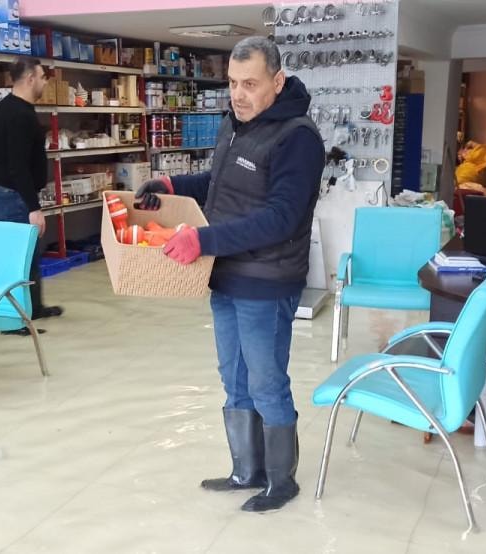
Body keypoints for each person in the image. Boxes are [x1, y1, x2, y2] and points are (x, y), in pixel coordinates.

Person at [135, 36, 324, 513]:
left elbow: (281, 218)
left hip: (267, 281)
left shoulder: (297, 138)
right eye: (233, 83)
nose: (238, 94)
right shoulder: (234, 124)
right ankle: (246, 470)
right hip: (226, 275)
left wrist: (203, 240)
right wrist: (171, 185)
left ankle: (281, 481)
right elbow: (219, 185)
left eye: (250, 84)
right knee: (233, 377)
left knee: (265, 381)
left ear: (277, 82)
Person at [0, 59, 63, 333]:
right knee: (16, 258)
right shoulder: (19, 115)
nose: (45, 82)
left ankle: (33, 308)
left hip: (13, 192)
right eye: (43, 77)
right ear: (30, 78)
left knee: (29, 255)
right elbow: (17, 166)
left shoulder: (8, 108)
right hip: (14, 196)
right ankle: (12, 320)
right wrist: (33, 207)